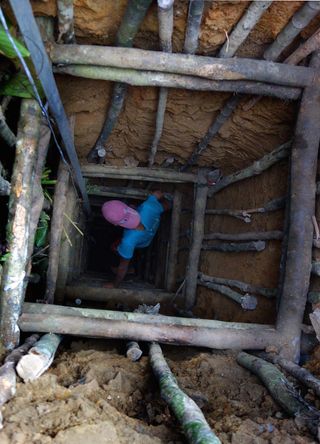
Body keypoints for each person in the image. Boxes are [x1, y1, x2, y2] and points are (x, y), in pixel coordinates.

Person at [102, 191, 171, 288]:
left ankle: (131, 269)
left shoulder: (127, 242)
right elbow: (162, 199)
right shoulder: (148, 207)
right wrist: (163, 198)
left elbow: (123, 267)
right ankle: (129, 264)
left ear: (115, 224)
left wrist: (114, 284)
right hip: (147, 235)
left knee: (114, 248)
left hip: (140, 243)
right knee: (117, 245)